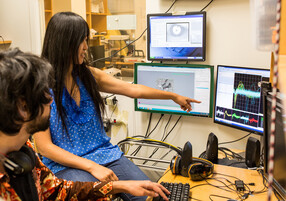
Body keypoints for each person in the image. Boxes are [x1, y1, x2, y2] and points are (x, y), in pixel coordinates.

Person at [34, 12, 201, 201]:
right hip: (66, 165)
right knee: (99, 197)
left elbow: (134, 90)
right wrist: (92, 167)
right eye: (82, 41)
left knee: (153, 195)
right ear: (66, 43)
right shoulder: (40, 87)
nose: (86, 48)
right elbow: (44, 147)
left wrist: (172, 96)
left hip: (106, 155)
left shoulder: (88, 76)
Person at [0, 48, 169, 201]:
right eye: (44, 94)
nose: (51, 99)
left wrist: (122, 186)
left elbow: (57, 190)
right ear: (23, 107)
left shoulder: (25, 152)